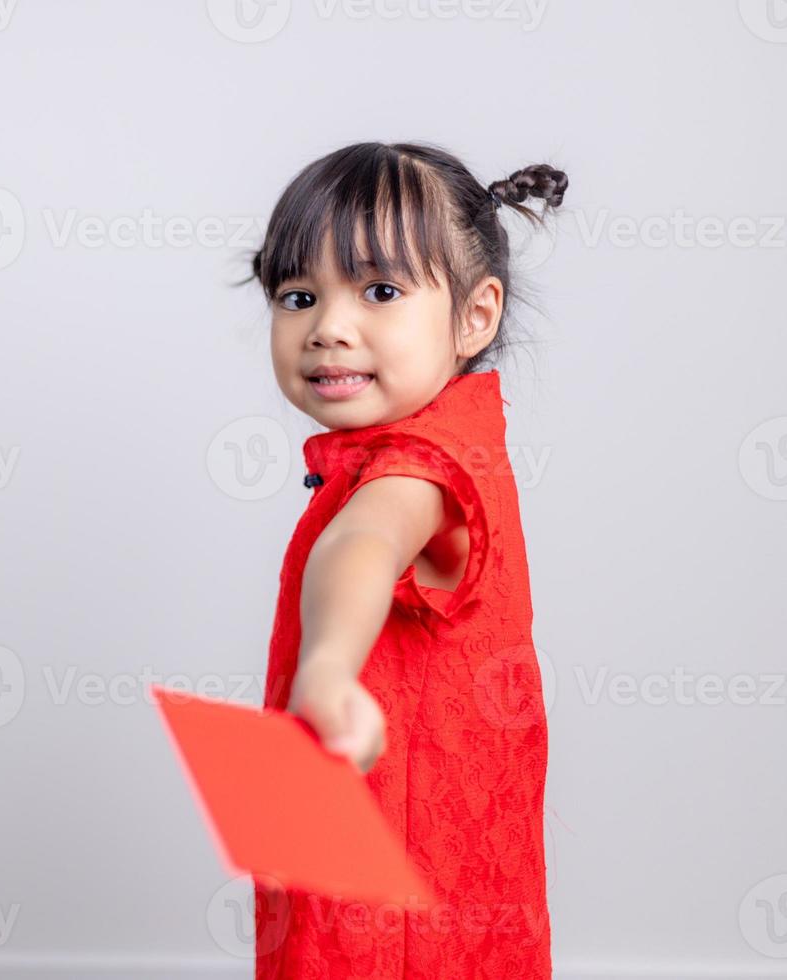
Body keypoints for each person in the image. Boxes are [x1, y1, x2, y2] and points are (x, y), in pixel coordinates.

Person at [245, 140, 566, 978]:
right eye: (298, 294)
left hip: (391, 859)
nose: (328, 327)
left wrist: (325, 670)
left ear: (474, 316)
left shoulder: (421, 466)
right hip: (398, 829)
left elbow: (362, 544)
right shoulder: (447, 441)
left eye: (380, 290)